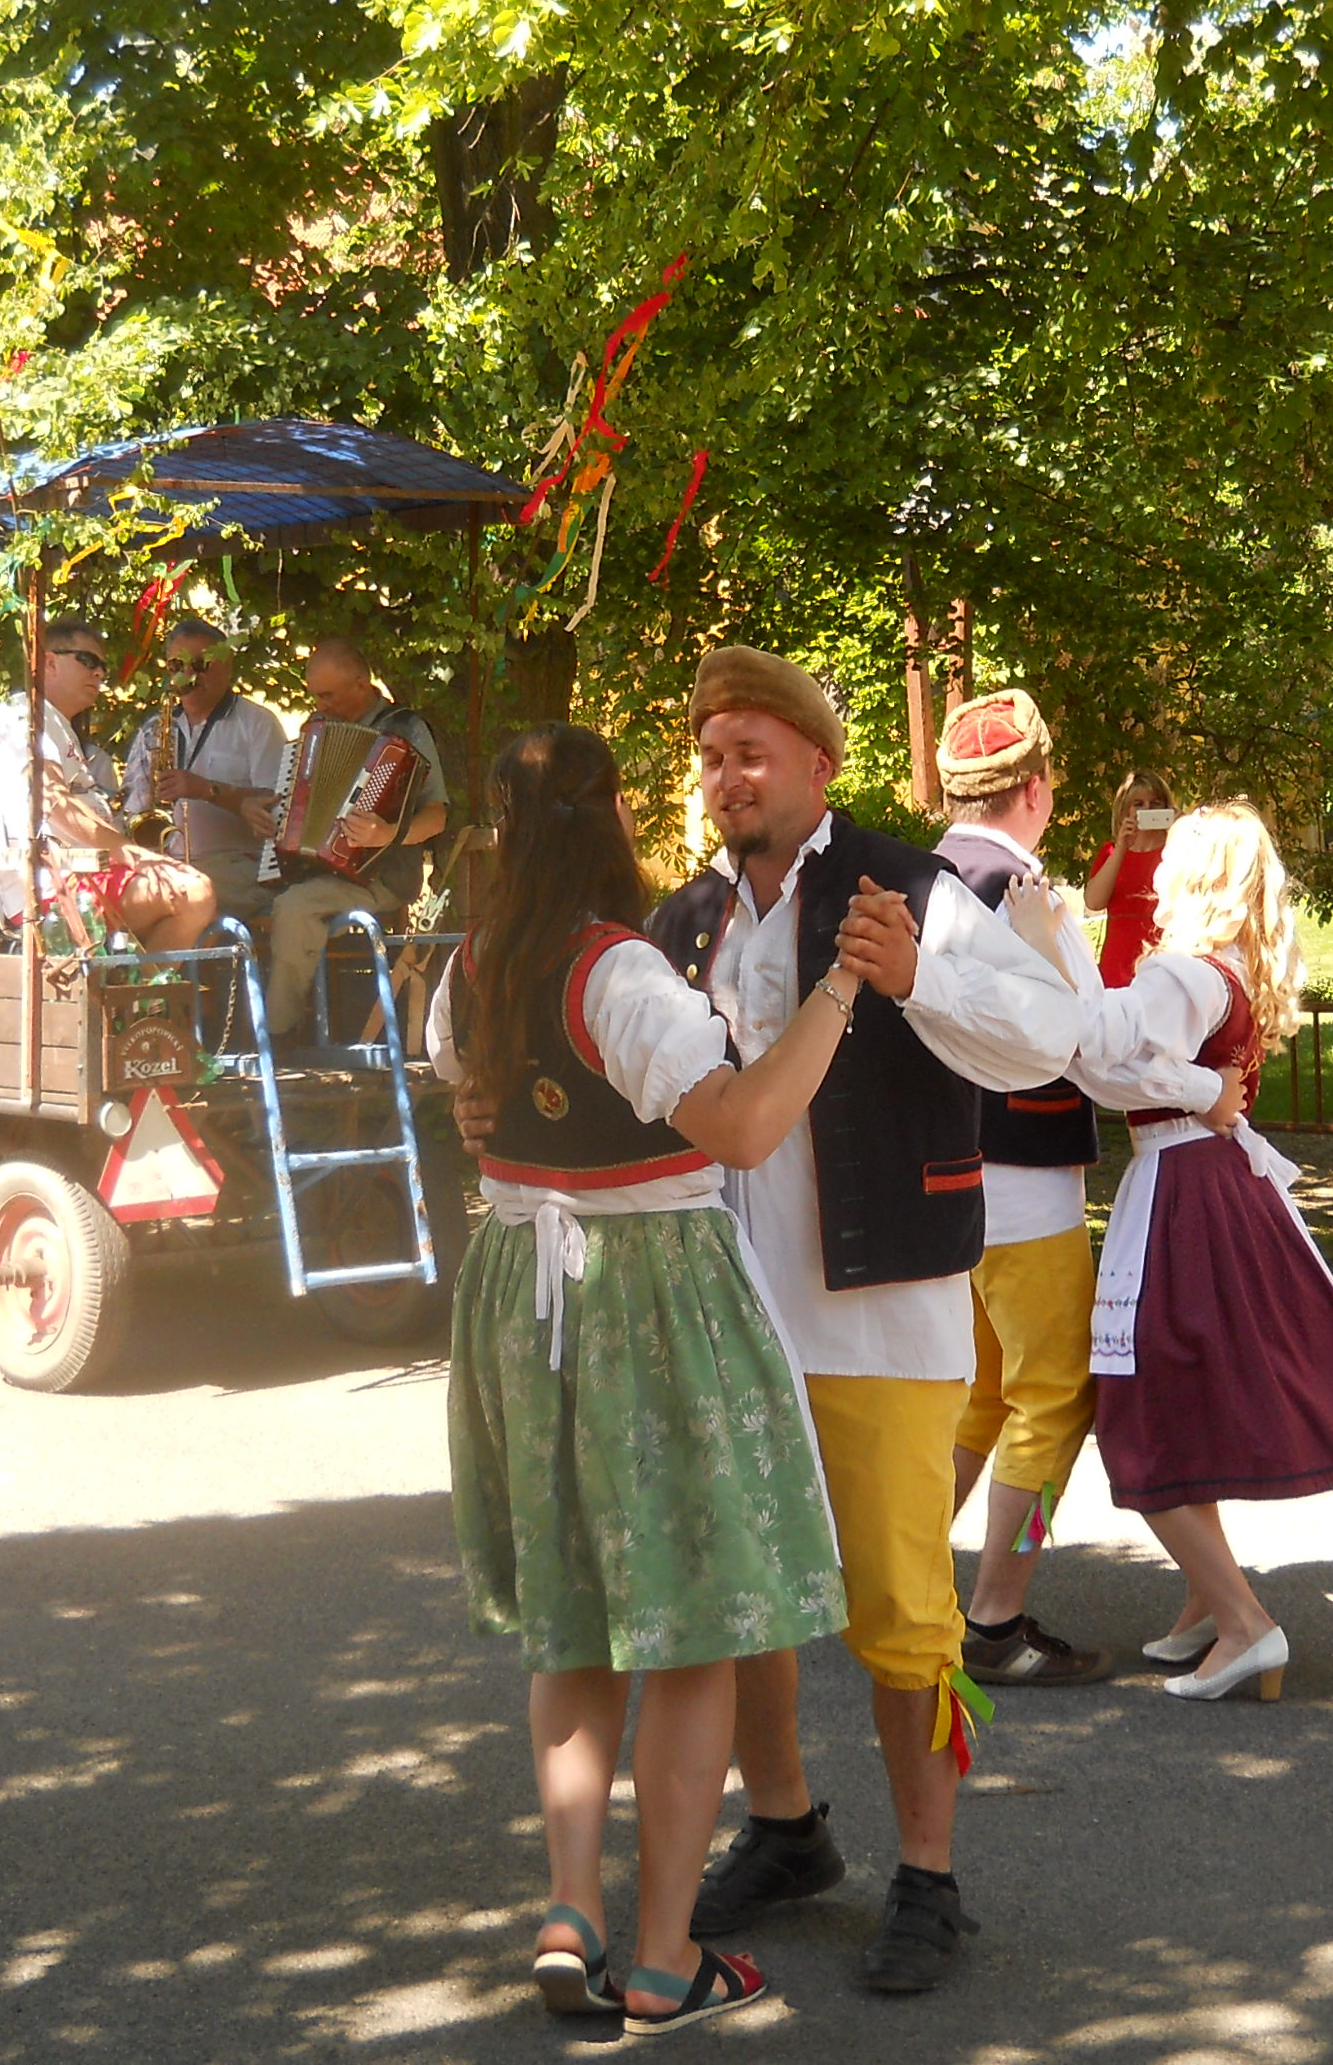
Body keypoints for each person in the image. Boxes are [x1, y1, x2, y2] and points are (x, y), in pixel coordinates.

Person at [648, 645, 1083, 1997]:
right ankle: (787, 1829)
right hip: (732, 1321)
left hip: (883, 1320)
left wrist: (918, 980)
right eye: (712, 756)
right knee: (746, 1600)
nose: (727, 775)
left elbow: (1048, 1037)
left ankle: (930, 1875)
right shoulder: (686, 919)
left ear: (819, 765)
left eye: (751, 751)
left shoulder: (909, 889)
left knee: (906, 1618)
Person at [430, 723, 855, 2034]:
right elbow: (741, 1124)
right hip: (648, 1293)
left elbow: (469, 1091)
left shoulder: (474, 963)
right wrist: (840, 993)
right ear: (610, 816)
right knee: (692, 1627)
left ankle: (572, 1911)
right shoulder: (621, 974)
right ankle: (666, 1959)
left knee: (574, 1615)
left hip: (523, 1291)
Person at [1086, 801, 1333, 1703]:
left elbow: (1107, 1060)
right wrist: (1207, 1089)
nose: (1156, 870)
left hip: (1185, 1188)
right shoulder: (1232, 967)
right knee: (1187, 1396)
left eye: (1171, 858)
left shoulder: (1184, 972)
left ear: (1194, 875)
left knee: (1142, 1416)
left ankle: (1244, 1624)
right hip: (1219, 1183)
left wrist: (1057, 966)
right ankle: (1210, 1600)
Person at [931, 693, 1176, 1691]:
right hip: (1026, 1187)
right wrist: (1192, 1071)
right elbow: (1095, 1042)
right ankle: (995, 1614)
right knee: (1056, 1399)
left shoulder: (924, 878)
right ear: (1035, 788)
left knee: (982, 1394)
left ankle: (902, 1581)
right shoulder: (1023, 891)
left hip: (948, 1180)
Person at [0, 620, 219, 954]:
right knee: (194, 893)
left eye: (103, 666)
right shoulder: (25, 718)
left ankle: (138, 986)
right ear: (49, 663)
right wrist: (133, 854)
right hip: (50, 889)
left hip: (81, 872)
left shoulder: (52, 722)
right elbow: (53, 802)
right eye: (87, 661)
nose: (100, 672)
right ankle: (144, 989)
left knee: (204, 913)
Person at [263, 636, 449, 1039]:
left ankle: (277, 1035)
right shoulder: (317, 730)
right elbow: (297, 798)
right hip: (315, 870)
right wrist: (279, 818)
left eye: (328, 695)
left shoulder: (406, 729)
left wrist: (388, 834)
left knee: (295, 907)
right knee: (253, 894)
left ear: (361, 685)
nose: (320, 704)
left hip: (381, 876)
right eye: (315, 695)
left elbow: (437, 816)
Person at [118, 617, 287, 932]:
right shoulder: (154, 730)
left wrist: (207, 790)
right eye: (177, 666)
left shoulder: (258, 724)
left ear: (227, 665)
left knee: (170, 899)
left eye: (200, 664)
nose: (188, 675)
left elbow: (278, 808)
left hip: (238, 866)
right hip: (169, 864)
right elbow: (132, 810)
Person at [1082, 770, 1175, 987]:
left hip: (1163, 962)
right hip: (1117, 965)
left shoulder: (1175, 851)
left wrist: (1180, 831)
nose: (1147, 810)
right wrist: (1121, 847)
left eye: (1155, 803)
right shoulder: (1111, 852)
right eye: (1138, 804)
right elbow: (1093, 903)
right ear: (1125, 810)